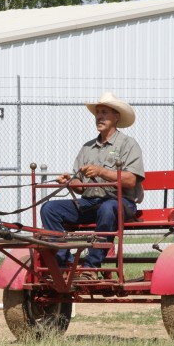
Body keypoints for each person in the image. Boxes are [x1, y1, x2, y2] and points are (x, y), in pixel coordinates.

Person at [40, 92, 145, 280]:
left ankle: (91, 267)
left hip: (120, 203)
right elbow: (80, 187)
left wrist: (101, 171)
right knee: (49, 209)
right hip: (89, 203)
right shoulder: (87, 148)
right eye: (98, 113)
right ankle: (63, 263)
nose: (99, 117)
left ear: (116, 117)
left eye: (104, 112)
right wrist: (70, 182)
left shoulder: (128, 144)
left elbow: (130, 180)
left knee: (108, 207)